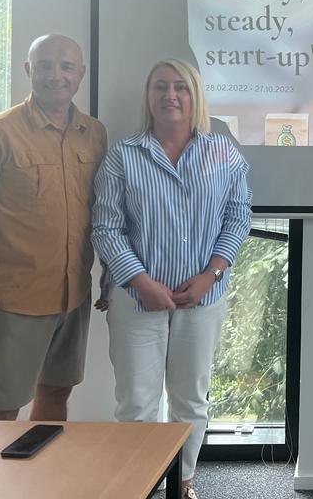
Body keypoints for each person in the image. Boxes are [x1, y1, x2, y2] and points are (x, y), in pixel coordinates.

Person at [92, 59, 251, 499]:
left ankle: (183, 482)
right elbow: (105, 227)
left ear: (195, 95)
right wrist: (140, 280)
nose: (170, 95)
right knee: (137, 402)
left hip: (203, 299)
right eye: (160, 86)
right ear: (148, 97)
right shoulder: (124, 155)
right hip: (136, 300)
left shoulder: (223, 152)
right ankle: (139, 486)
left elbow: (238, 216)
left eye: (181, 86)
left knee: (190, 400)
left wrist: (211, 274)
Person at [0, 34, 107, 420]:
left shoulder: (93, 133)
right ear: (28, 70)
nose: (56, 75)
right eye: (45, 65)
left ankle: (43, 464)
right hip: (13, 303)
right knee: (1, 414)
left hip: (73, 297)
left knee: (56, 396)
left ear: (81, 73)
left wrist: (111, 274)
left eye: (66, 66)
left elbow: (104, 212)